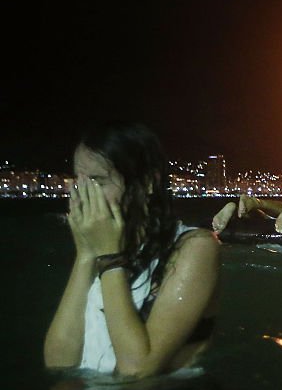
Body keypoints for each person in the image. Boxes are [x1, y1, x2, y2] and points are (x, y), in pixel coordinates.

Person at [44, 122, 220, 377]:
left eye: (98, 181)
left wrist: (109, 258)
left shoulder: (195, 249)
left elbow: (136, 370)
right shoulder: (99, 248)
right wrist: (85, 255)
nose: (82, 195)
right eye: (79, 181)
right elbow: (58, 363)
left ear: (148, 182)